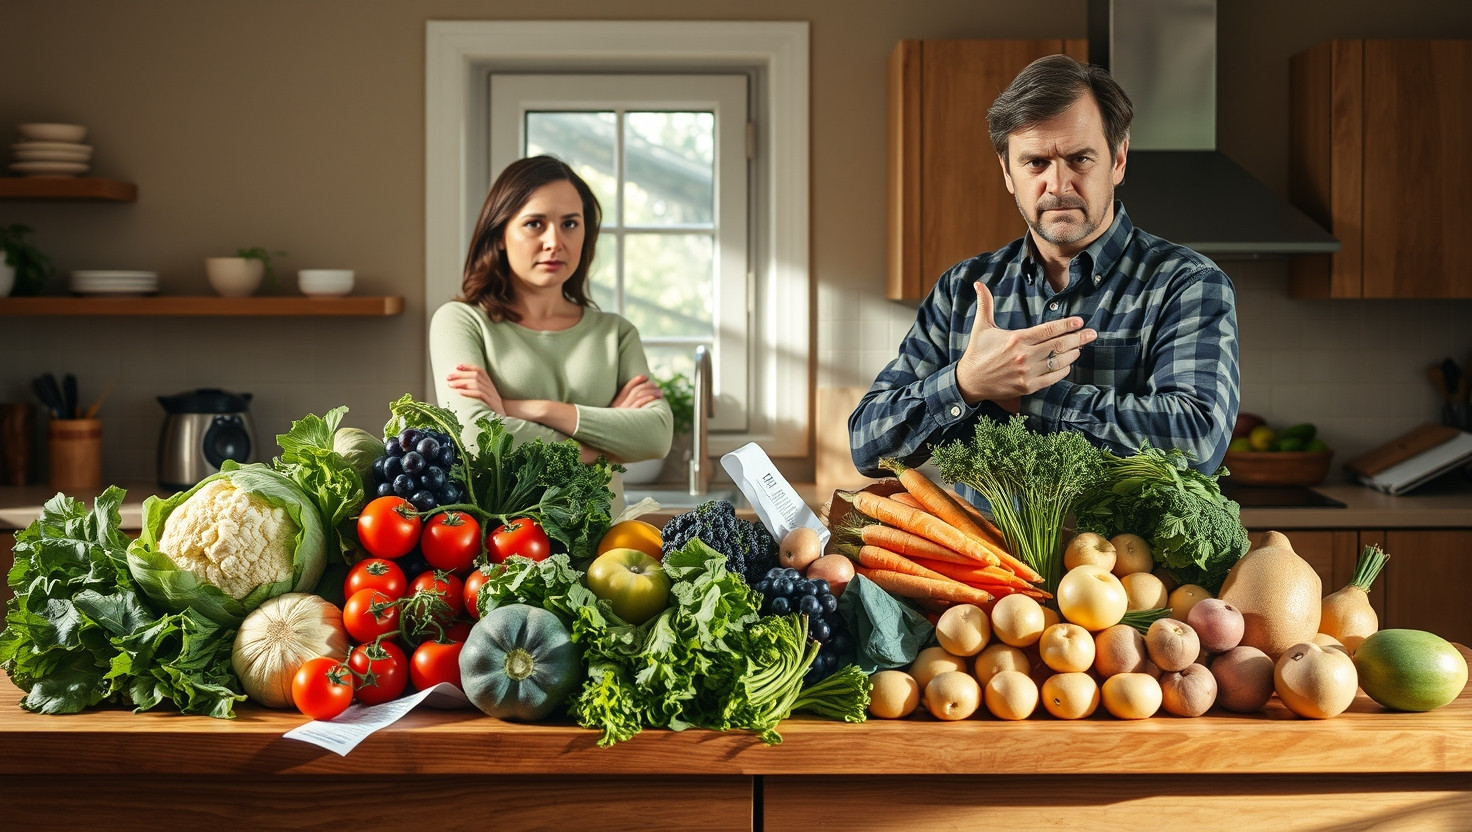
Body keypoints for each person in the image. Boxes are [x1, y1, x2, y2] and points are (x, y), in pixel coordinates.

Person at [849, 55, 1239, 499]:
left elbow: (1198, 441)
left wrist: (1030, 399)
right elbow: (867, 444)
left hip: (1125, 569)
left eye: (1079, 159)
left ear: (1118, 159)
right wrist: (966, 384)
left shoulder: (1186, 284)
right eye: (1035, 162)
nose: (1058, 184)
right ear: (1007, 172)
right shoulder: (962, 289)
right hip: (986, 566)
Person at [429, 155, 673, 503]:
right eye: (534, 224)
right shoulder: (460, 321)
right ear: (499, 234)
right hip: (504, 543)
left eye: (570, 224)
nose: (554, 241)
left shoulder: (616, 334)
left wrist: (523, 409)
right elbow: (475, 438)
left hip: (609, 544)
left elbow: (656, 436)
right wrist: (604, 446)